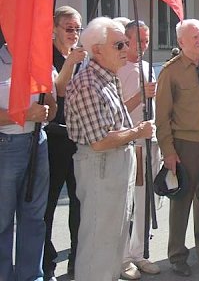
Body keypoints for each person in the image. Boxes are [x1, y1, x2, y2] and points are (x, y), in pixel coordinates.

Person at [65, 17, 154, 280]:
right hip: (101, 166)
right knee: (98, 242)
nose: (126, 49)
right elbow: (100, 140)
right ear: (97, 50)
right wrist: (138, 132)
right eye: (119, 45)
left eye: (126, 43)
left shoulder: (108, 78)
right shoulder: (88, 83)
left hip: (116, 164)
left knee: (114, 241)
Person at [155, 19, 199, 277]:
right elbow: (162, 117)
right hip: (185, 145)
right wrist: (168, 152)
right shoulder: (170, 71)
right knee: (181, 201)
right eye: (195, 36)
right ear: (181, 42)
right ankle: (177, 256)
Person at [0, 38, 57, 281]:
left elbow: (52, 110)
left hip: (38, 142)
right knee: (2, 220)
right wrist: (23, 115)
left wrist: (48, 106)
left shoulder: (39, 60)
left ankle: (31, 276)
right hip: (6, 146)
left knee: (34, 219)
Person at [43, 6, 86, 280]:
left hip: (78, 139)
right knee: (47, 204)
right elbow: (59, 90)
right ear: (55, 28)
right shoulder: (47, 55)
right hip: (53, 138)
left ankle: (77, 257)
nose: (74, 34)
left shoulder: (82, 57)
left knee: (79, 202)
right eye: (69, 28)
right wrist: (69, 64)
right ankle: (46, 260)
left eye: (77, 29)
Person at [118, 20, 161, 278]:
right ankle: (123, 257)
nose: (144, 45)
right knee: (128, 202)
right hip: (129, 141)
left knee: (147, 200)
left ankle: (140, 251)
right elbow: (116, 107)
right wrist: (140, 96)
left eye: (147, 40)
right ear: (127, 39)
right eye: (140, 40)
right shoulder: (118, 67)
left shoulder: (147, 66)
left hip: (150, 139)